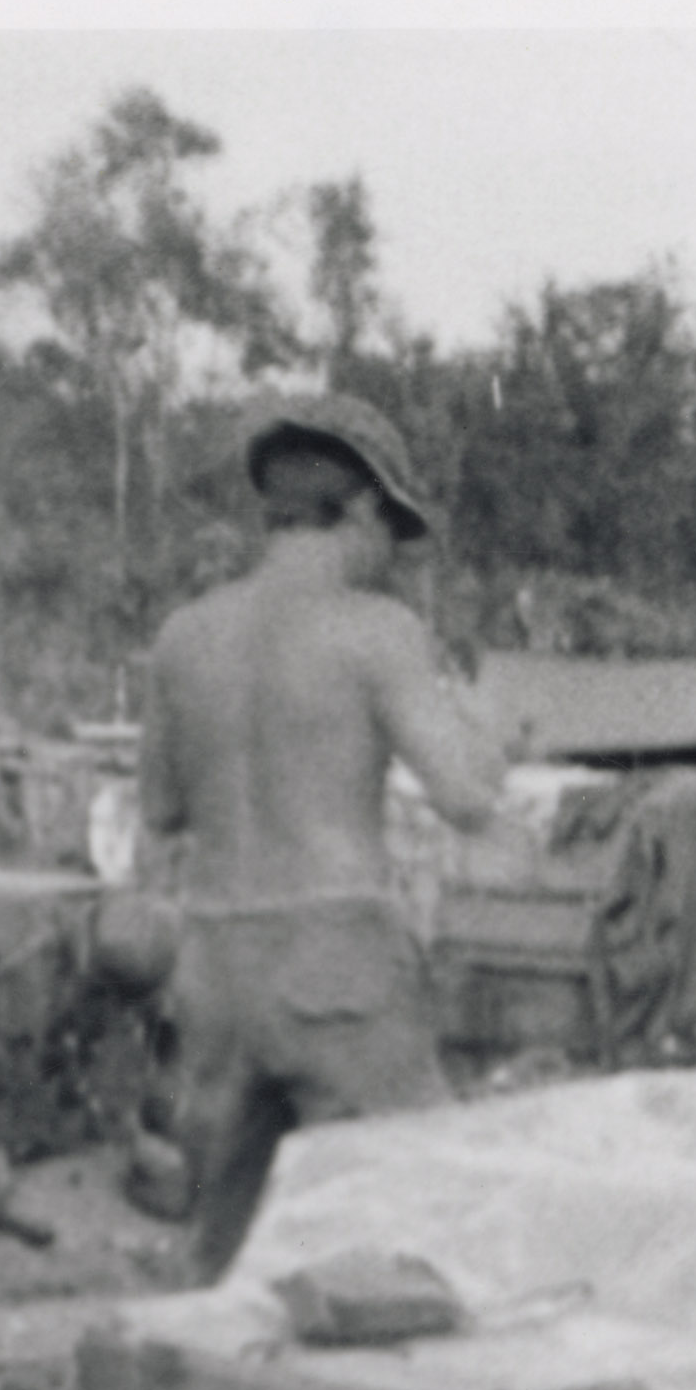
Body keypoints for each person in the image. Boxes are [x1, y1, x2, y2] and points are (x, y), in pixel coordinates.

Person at [138, 393, 506, 1279]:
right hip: (335, 961)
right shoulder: (377, 632)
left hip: (214, 965)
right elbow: (463, 796)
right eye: (392, 529)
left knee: (223, 1241)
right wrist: (489, 724)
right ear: (364, 510)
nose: (390, 557)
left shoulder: (183, 637)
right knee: (412, 1218)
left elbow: (159, 809)